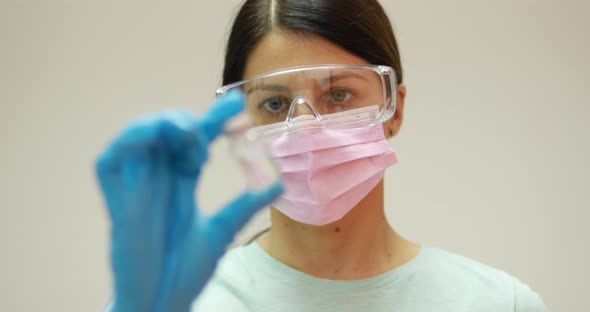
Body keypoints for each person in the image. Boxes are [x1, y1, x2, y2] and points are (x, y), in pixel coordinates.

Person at [97, 0, 547, 311]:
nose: (307, 127)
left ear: (394, 109)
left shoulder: (495, 304)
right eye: (274, 103)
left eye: (338, 94)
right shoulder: (187, 299)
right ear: (241, 123)